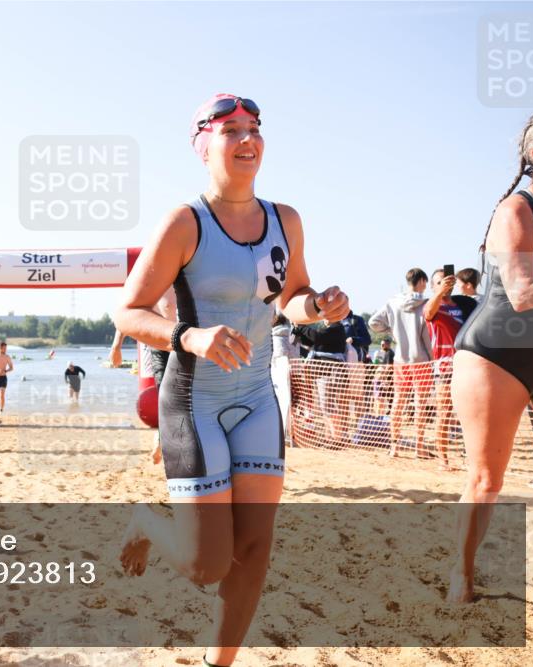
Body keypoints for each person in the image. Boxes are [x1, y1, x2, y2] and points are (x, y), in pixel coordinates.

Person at [114, 93, 349, 667]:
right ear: (203, 146)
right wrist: (188, 336)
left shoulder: (285, 219)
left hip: (256, 400)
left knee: (254, 550)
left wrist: (318, 306)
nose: (247, 140)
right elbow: (127, 311)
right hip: (195, 400)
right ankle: (146, 520)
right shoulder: (184, 222)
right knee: (205, 566)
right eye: (230, 131)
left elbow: (290, 296)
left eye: (254, 129)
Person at [451, 110, 533, 603]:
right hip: (496, 355)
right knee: (487, 478)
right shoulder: (516, 211)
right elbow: (524, 293)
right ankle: (460, 576)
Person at [369, 268, 434, 458]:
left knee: (398, 401)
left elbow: (373, 322)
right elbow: (428, 337)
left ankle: (394, 446)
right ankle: (418, 446)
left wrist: (392, 331)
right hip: (421, 360)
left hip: (400, 359)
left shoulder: (393, 302)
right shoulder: (427, 304)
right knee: (420, 403)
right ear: (421, 281)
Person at [423, 268, 477, 471]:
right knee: (444, 413)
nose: (444, 285)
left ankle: (470, 458)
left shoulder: (463, 304)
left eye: (446, 282)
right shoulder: (433, 306)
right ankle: (443, 459)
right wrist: (439, 293)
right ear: (432, 286)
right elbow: (428, 313)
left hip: (465, 365)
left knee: (469, 414)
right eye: (438, 282)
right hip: (444, 367)